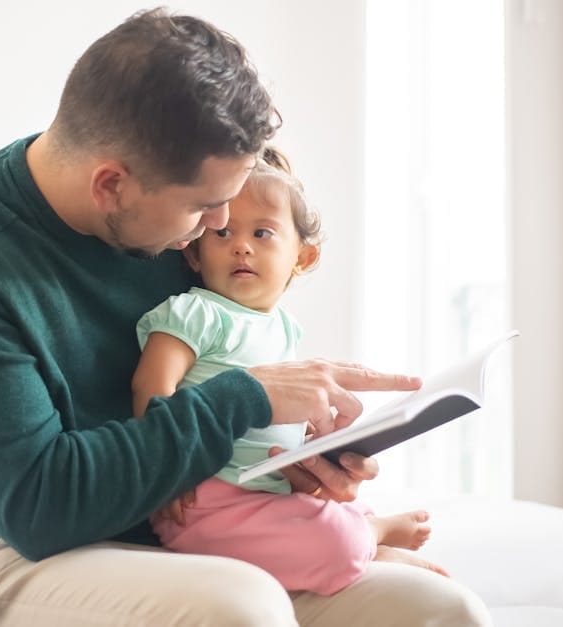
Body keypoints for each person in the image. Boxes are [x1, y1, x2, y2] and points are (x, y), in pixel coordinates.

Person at [0, 8, 492, 627]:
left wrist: (295, 461)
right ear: (111, 186)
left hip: (195, 536)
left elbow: (215, 408)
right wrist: (241, 402)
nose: (220, 227)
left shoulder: (174, 234)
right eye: (204, 206)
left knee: (441, 610)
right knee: (237, 609)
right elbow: (41, 509)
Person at [133, 147, 450, 595]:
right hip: (203, 501)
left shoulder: (284, 329)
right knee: (334, 540)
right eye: (223, 232)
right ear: (195, 256)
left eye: (262, 233)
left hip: (268, 491)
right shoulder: (195, 313)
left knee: (317, 516)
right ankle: (369, 540)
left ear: (302, 258)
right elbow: (151, 384)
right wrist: (167, 468)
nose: (241, 245)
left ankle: (365, 533)